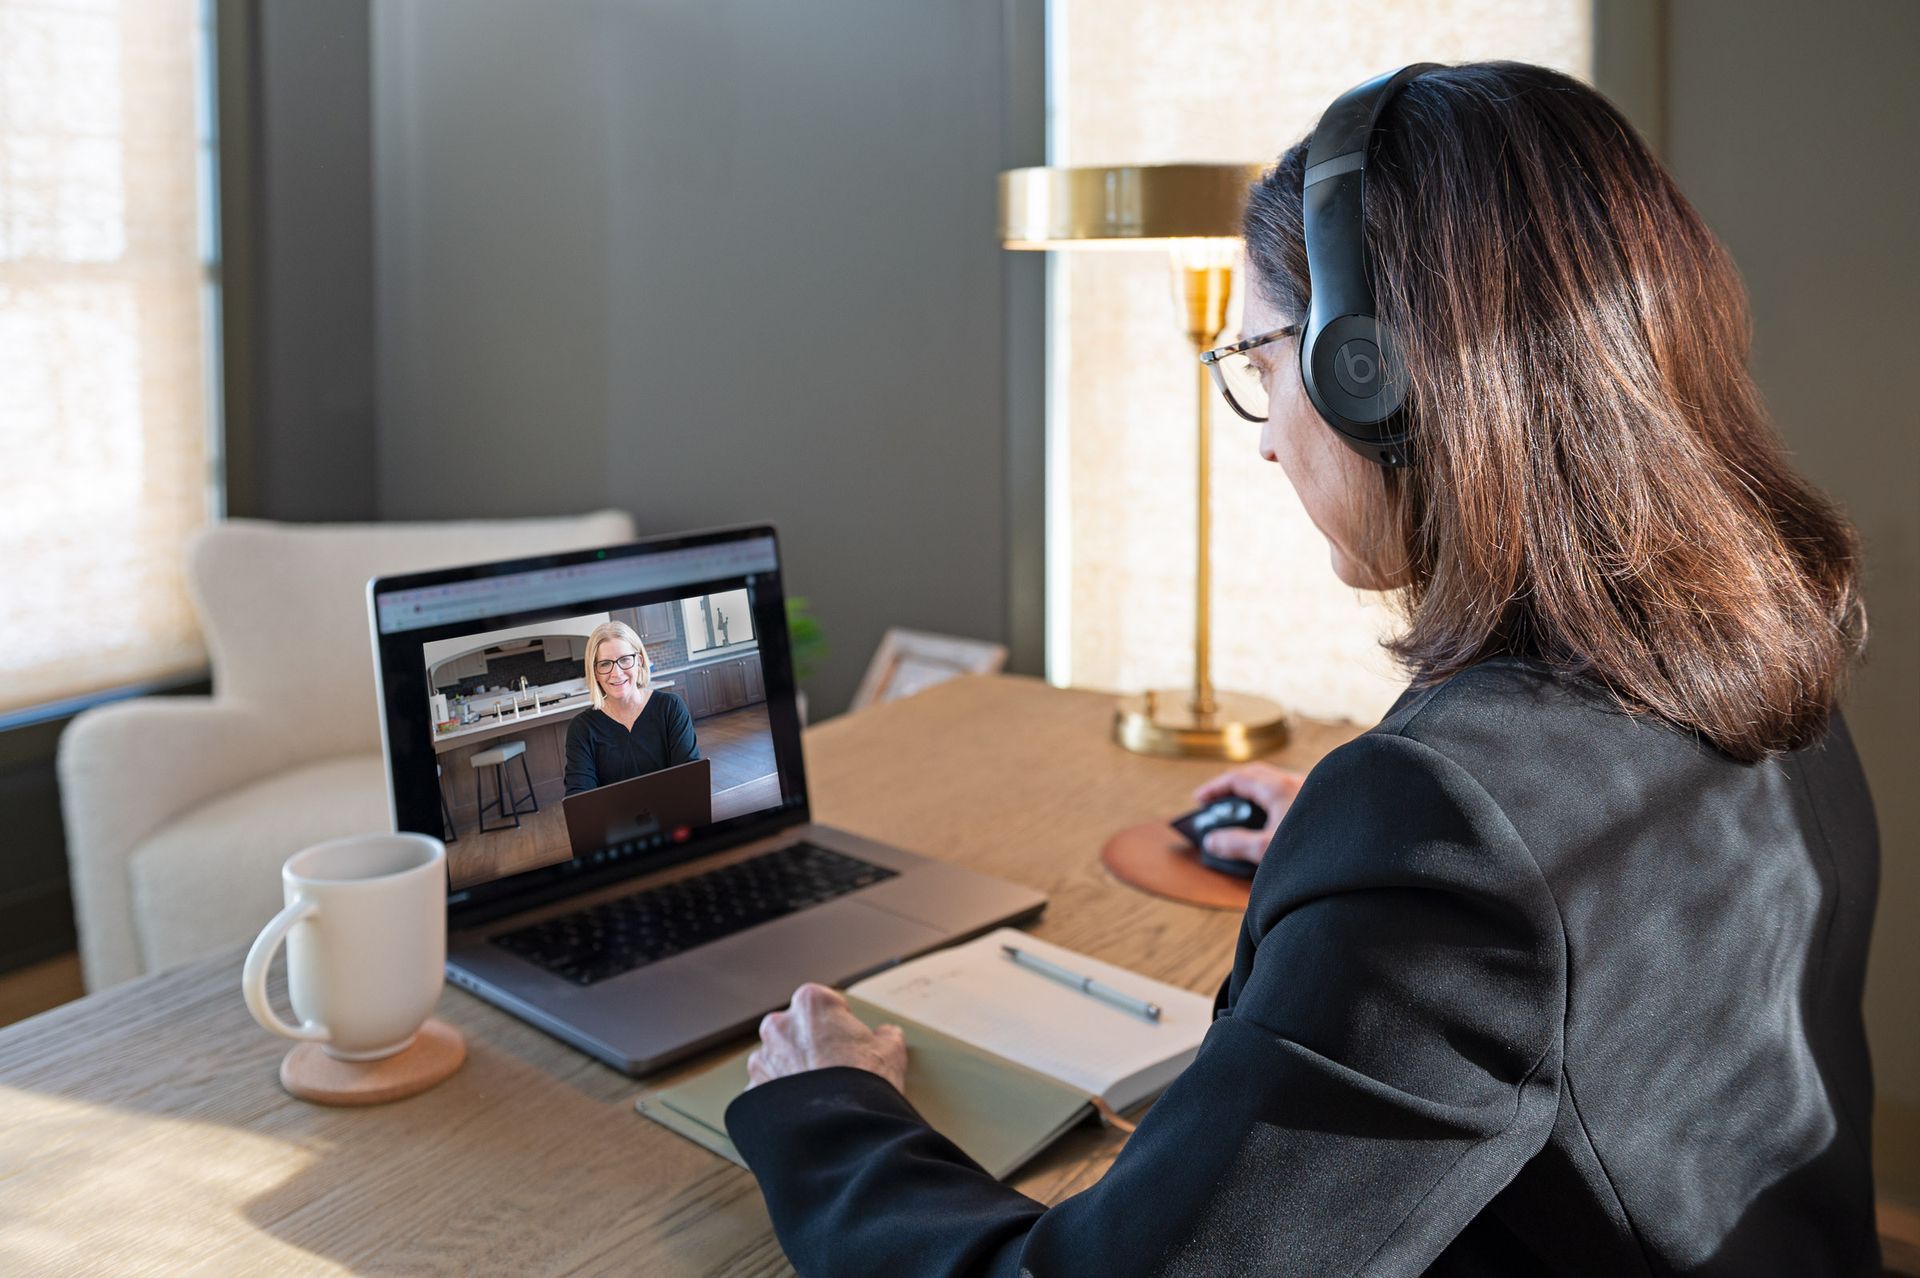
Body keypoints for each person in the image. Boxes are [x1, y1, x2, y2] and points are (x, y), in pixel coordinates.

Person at [722, 61, 1880, 1276]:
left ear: (1368, 371)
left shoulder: (1452, 838)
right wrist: (1352, 883)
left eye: (1265, 364)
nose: (1268, 437)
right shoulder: (1762, 643)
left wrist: (829, 1111)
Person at [563, 620, 699, 796]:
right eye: (605, 664)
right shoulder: (581, 728)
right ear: (594, 672)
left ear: (639, 662)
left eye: (625, 659)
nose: (617, 673)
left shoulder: (671, 708)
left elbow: (690, 778)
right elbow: (580, 799)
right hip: (613, 823)